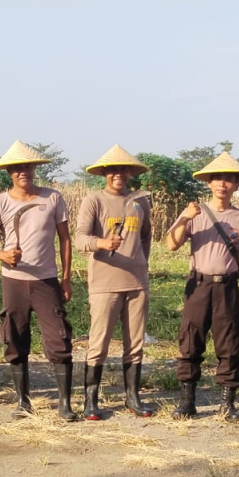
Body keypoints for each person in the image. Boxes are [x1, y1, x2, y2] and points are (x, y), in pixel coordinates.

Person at [0, 141, 77, 421]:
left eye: (28, 167)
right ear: (10, 171)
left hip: (46, 280)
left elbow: (65, 239)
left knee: (59, 338)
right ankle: (23, 402)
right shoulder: (0, 202)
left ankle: (64, 404)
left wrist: (66, 278)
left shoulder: (53, 198)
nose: (24, 171)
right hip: (14, 281)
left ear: (35, 169)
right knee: (15, 338)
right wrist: (2, 255)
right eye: (18, 168)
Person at [166, 152, 239, 423]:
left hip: (227, 286)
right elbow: (172, 244)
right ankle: (187, 402)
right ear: (209, 183)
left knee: (229, 343)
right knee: (191, 340)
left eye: (228, 179)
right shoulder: (195, 212)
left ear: (236, 185)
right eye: (217, 179)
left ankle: (227, 404)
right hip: (199, 284)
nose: (222, 184)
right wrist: (184, 218)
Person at [75, 145, 154, 420]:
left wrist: (141, 261)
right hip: (104, 283)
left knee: (135, 343)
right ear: (105, 174)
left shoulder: (140, 202)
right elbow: (79, 239)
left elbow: (146, 236)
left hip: (136, 283)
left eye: (123, 170)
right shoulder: (94, 200)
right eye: (113, 171)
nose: (118, 175)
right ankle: (90, 401)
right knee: (99, 343)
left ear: (130, 173)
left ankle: (133, 398)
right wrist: (102, 243)